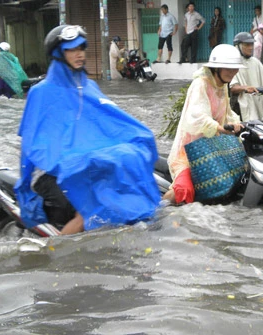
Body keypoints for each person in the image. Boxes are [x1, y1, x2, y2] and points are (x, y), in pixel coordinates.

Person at [14, 25, 161, 235]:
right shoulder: (41, 92)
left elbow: (111, 124)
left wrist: (138, 138)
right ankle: (52, 258)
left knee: (130, 189)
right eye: (72, 49)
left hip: (84, 165)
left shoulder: (89, 87)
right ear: (58, 53)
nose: (80, 54)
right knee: (89, 212)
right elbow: (29, 145)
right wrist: (25, 186)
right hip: (51, 172)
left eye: (82, 48)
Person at [163, 44, 245, 204]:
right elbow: (197, 116)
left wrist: (237, 124)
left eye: (235, 68)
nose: (232, 72)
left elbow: (227, 114)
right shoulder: (200, 84)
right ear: (216, 68)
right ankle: (157, 216)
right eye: (228, 68)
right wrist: (218, 128)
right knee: (184, 189)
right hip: (188, 153)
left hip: (213, 150)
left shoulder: (222, 86)